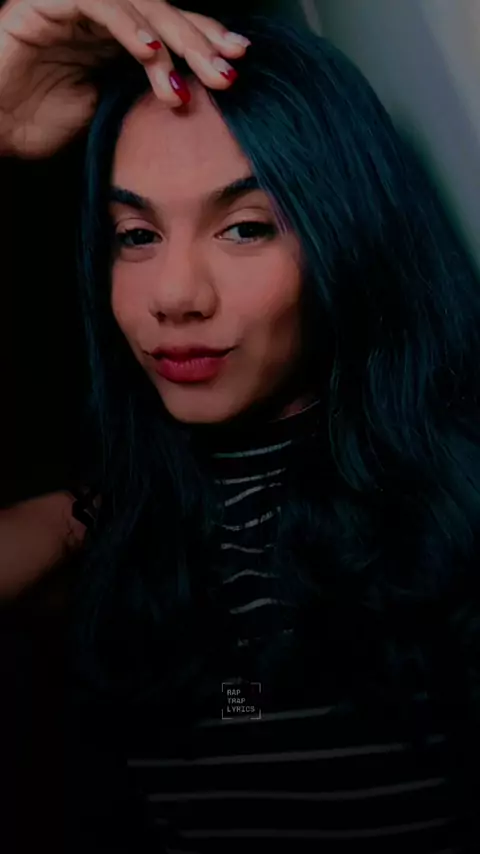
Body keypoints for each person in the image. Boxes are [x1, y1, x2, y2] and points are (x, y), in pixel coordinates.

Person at [1, 1, 480, 851]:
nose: (175, 295)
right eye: (135, 234)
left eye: (245, 227)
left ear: (345, 238)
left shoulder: (459, 520)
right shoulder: (105, 539)